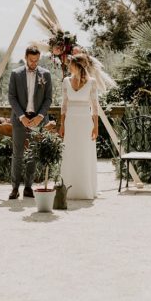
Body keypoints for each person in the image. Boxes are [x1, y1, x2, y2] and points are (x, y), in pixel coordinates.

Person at [7, 46, 53, 200]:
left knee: (33, 154)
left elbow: (48, 98)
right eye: (31, 60)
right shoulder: (15, 73)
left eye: (36, 60)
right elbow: (12, 97)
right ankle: (14, 188)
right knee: (17, 154)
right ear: (26, 57)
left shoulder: (46, 74)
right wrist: (21, 116)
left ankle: (28, 187)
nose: (34, 63)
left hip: (37, 119)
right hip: (20, 119)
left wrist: (40, 116)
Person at [59, 54, 99, 200]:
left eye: (71, 64)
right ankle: (68, 188)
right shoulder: (66, 81)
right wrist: (62, 125)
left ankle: (85, 189)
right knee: (70, 153)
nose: (69, 66)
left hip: (85, 123)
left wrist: (96, 127)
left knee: (84, 153)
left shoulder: (92, 82)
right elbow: (63, 106)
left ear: (78, 66)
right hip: (70, 122)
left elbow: (95, 107)